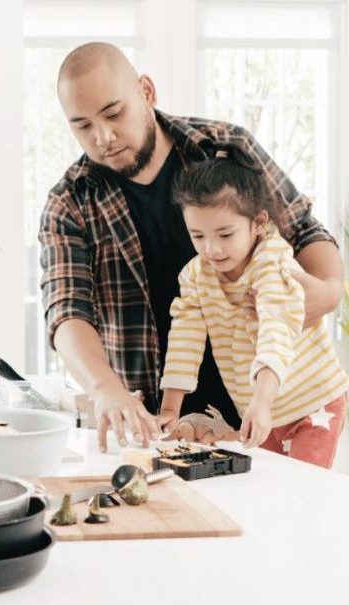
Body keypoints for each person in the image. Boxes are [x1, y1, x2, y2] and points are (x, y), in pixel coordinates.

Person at [39, 42, 344, 451]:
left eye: (114, 114)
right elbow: (66, 311)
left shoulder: (226, 148)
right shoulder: (70, 202)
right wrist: (105, 388)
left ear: (146, 91)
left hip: (271, 412)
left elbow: (304, 230)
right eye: (83, 125)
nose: (104, 137)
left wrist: (328, 291)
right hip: (161, 426)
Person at [158, 148, 349, 468]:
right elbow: (185, 337)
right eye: (198, 235)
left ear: (258, 223)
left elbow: (276, 329)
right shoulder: (195, 274)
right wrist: (169, 409)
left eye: (225, 234)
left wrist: (261, 402)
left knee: (303, 487)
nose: (211, 248)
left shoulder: (274, 266)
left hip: (313, 405)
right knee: (269, 490)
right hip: (263, 411)